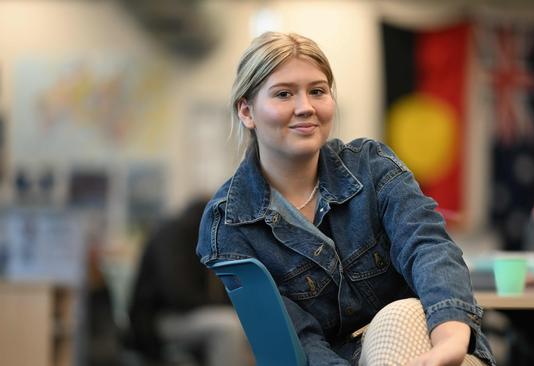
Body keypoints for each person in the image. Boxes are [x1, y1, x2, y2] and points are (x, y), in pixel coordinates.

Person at [196, 32, 495, 366]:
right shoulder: (229, 222)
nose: (305, 107)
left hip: (435, 343)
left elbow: (428, 246)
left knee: (402, 316)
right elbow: (297, 340)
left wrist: (450, 341)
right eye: (283, 94)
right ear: (246, 111)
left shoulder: (372, 166)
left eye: (317, 91)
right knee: (397, 320)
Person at [129, 198, 247, 366]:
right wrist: (221, 306)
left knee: (245, 325)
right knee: (229, 328)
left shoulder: (202, 237)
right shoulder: (173, 236)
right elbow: (179, 295)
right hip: (158, 319)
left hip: (184, 313)